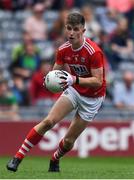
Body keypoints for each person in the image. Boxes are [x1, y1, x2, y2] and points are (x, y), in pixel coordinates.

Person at [6, 12, 106, 172]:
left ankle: (55, 158)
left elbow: (98, 81)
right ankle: (17, 158)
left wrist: (74, 79)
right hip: (74, 91)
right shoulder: (63, 50)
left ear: (83, 31)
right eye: (68, 28)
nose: (71, 33)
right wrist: (49, 82)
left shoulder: (94, 52)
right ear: (65, 29)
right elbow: (54, 74)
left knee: (68, 141)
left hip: (93, 98)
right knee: (48, 122)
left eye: (75, 29)